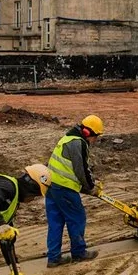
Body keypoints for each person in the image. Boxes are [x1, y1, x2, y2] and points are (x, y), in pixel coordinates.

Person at [45, 114, 104, 267]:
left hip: (51, 186)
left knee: (56, 222)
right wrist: (91, 187)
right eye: (95, 137)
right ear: (88, 133)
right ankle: (79, 253)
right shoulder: (78, 143)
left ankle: (54, 257)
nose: (95, 141)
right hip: (64, 188)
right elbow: (81, 170)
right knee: (77, 218)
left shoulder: (67, 138)